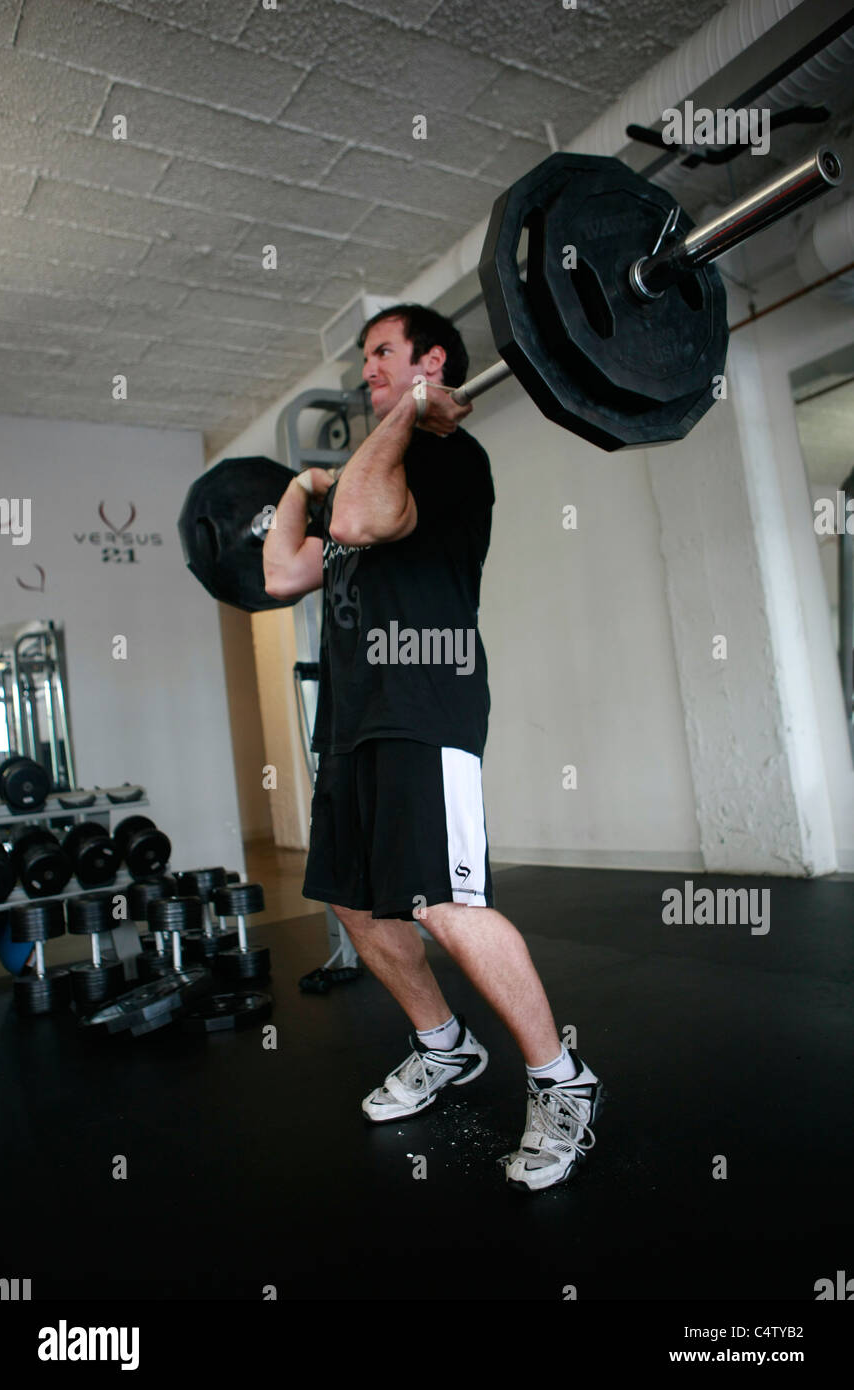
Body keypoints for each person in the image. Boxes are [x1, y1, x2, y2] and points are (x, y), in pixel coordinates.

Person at [262, 304, 603, 1191]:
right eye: (366, 357)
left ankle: (561, 1079)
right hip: (350, 724)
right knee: (357, 907)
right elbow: (278, 572)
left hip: (423, 704)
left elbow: (365, 523)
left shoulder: (447, 456)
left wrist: (409, 415)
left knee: (444, 904)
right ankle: (443, 1046)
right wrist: (302, 484)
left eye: (382, 354)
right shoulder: (365, 468)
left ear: (429, 359)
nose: (365, 369)